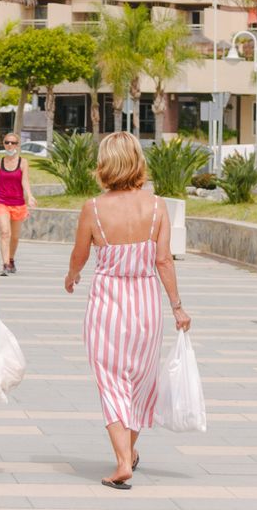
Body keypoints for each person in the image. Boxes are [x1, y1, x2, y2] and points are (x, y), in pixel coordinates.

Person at [64, 131, 192, 490]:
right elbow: (163, 260)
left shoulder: (93, 208)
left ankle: (123, 462)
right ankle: (129, 453)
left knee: (111, 382)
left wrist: (72, 276)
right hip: (146, 305)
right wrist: (178, 307)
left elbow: (80, 254)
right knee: (140, 383)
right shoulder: (157, 206)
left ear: (105, 164)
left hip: (107, 304)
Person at [0, 131, 36, 276]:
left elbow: (25, 181)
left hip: (18, 203)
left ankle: (11, 259)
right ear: (3, 144)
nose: (10, 145)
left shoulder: (23, 162)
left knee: (15, 236)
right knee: (5, 232)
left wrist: (30, 196)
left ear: (18, 145)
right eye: (7, 142)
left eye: (13, 143)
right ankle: (5, 264)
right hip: (1, 202)